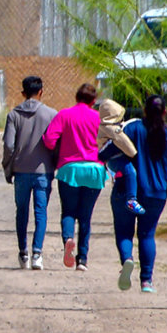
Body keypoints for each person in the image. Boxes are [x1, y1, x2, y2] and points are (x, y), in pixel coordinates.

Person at [100, 95, 167, 293]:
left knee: (124, 232)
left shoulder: (131, 128)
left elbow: (110, 150)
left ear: (144, 110)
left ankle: (127, 260)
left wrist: (100, 157)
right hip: (156, 193)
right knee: (147, 235)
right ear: (164, 112)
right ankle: (146, 281)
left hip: (126, 190)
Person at [43, 83, 107, 272]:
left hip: (70, 169)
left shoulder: (65, 114)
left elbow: (49, 139)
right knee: (86, 216)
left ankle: (68, 239)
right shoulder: (98, 118)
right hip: (94, 169)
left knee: (69, 212)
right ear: (94, 101)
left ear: (76, 97)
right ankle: (82, 259)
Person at [2, 76, 58, 270]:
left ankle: (23, 252)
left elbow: (9, 145)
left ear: (23, 93)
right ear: (41, 91)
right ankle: (37, 254)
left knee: (22, 212)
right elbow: (56, 143)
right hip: (44, 171)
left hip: (21, 171)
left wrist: (8, 167)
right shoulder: (52, 115)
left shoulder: (13, 115)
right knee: (41, 212)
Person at [96, 99, 144, 215]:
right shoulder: (113, 130)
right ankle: (131, 199)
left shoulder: (101, 127)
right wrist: (134, 154)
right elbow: (124, 142)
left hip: (108, 160)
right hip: (116, 158)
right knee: (130, 171)